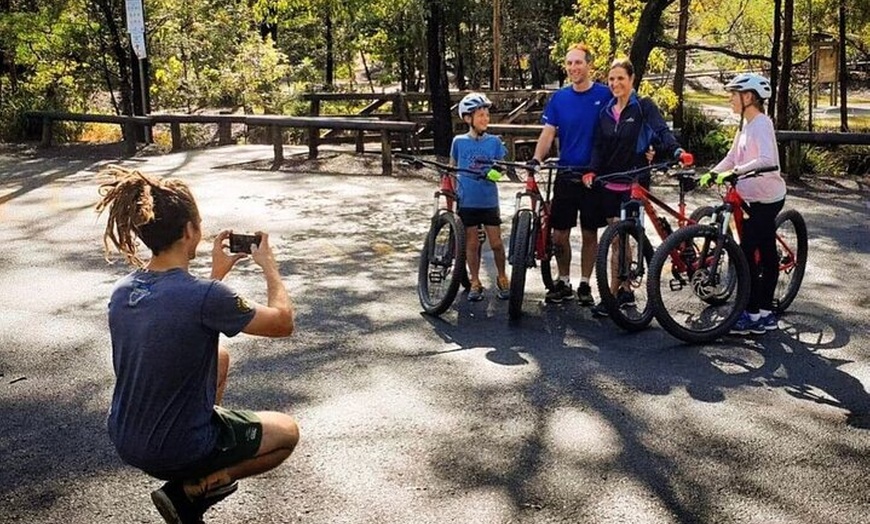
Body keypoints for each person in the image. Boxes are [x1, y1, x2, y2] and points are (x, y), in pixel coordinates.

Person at [95, 166, 300, 524]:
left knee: (218, 356)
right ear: (190, 230)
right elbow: (282, 323)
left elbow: (181, 316)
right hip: (173, 448)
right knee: (287, 433)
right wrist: (269, 267)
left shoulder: (124, 290)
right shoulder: (204, 297)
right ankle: (193, 487)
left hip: (126, 436)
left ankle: (192, 467)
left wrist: (215, 277)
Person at [582, 57, 690, 317]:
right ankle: (620, 291)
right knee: (616, 238)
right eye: (611, 79)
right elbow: (598, 145)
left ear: (631, 80)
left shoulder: (643, 107)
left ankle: (618, 291)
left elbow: (661, 131)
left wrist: (676, 150)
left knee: (624, 237)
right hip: (609, 181)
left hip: (634, 180)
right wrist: (591, 169)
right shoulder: (606, 111)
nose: (615, 83)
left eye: (621, 78)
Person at [699, 72, 786, 335]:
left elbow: (767, 159)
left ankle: (759, 315)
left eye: (733, 94)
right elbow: (732, 157)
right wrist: (714, 172)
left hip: (766, 198)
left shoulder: (761, 124)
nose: (729, 99)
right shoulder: (745, 125)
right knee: (755, 251)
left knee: (754, 252)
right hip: (749, 196)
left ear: (748, 97)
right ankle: (758, 311)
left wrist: (737, 172)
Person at [529, 43, 613, 305]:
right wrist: (536, 159)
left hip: (594, 176)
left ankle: (586, 284)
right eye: (569, 63)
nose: (574, 68)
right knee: (559, 235)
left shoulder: (606, 94)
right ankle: (563, 280)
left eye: (578, 62)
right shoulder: (559, 99)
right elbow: (548, 133)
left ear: (589, 65)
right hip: (566, 173)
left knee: (590, 233)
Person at [451, 92, 511, 302]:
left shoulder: (494, 142)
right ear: (468, 119)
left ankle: (502, 277)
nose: (485, 118)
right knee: (472, 244)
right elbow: (452, 168)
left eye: (487, 115)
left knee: (496, 243)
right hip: (467, 201)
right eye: (480, 115)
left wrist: (494, 172)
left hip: (488, 201)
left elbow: (502, 167)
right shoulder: (459, 142)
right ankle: (475, 280)